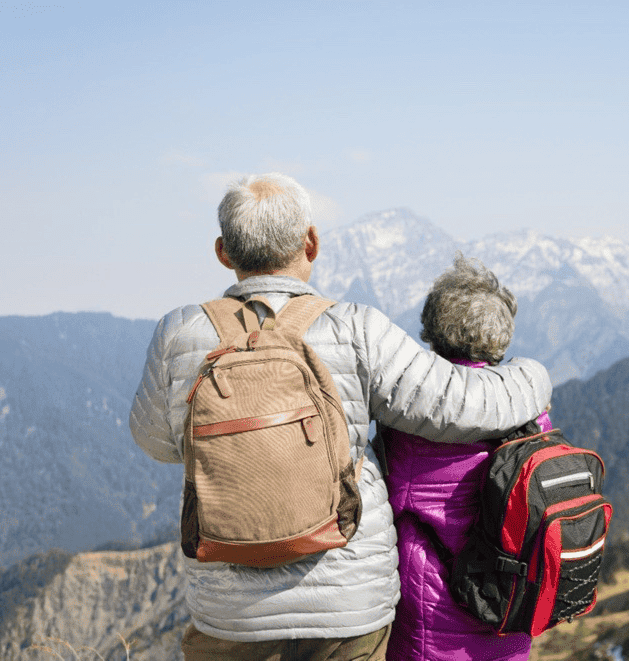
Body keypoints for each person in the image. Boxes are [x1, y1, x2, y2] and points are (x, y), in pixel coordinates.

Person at [128, 173, 553, 661]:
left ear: (223, 252)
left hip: (230, 613)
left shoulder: (179, 334)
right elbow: (461, 404)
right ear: (311, 243)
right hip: (347, 606)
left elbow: (155, 440)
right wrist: (533, 374)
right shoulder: (355, 329)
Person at [381, 253, 549, 661]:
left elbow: (380, 499)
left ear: (433, 331)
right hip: (510, 610)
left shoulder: (412, 422)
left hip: (436, 626)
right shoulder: (534, 414)